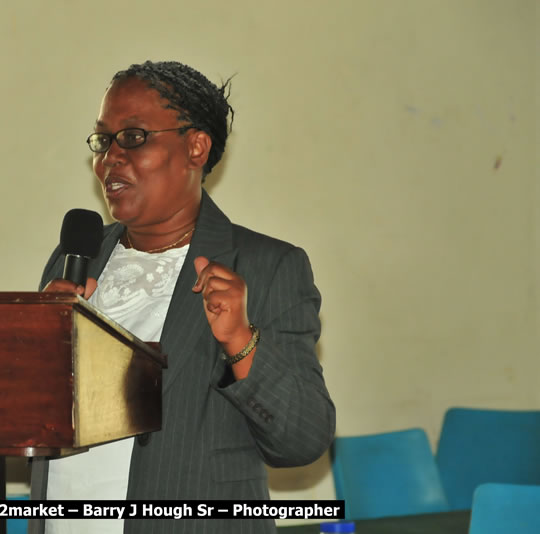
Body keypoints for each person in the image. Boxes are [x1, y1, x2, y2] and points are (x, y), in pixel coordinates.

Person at [30, 60, 335, 534]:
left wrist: (240, 339)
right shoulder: (75, 260)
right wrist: (33, 346)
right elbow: (30, 419)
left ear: (195, 147)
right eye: (102, 140)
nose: (110, 157)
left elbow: (301, 440)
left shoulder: (265, 266)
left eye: (132, 137)